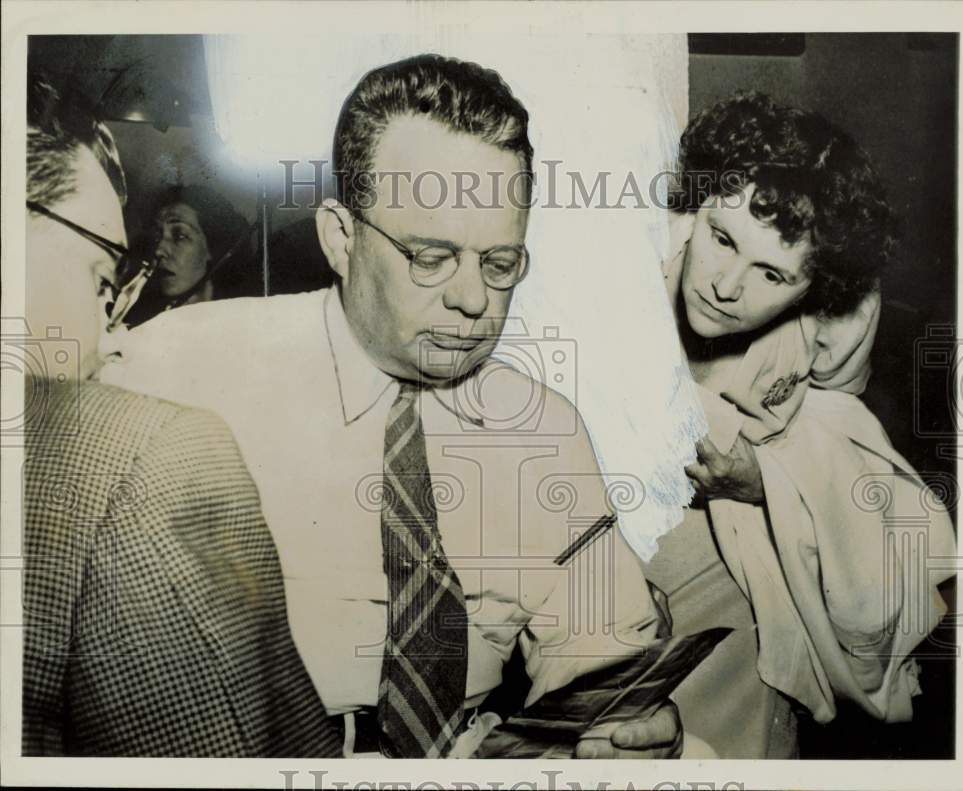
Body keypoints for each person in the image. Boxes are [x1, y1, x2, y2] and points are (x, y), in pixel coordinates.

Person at [102, 54, 683, 759]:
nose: (473, 300)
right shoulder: (177, 372)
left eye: (499, 264)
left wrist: (624, 729)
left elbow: (603, 651)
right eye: (431, 257)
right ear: (340, 237)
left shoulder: (541, 427)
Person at [21, 76, 340, 756]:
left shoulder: (250, 354)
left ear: (217, 252)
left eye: (181, 232)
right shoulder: (146, 438)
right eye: (102, 278)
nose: (108, 339)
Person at [645, 92, 956, 757]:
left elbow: (842, 426)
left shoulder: (839, 318)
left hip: (757, 555)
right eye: (722, 238)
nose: (726, 286)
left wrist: (770, 479)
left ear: (816, 287)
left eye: (771, 272)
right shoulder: (634, 271)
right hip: (636, 537)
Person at [121, 184, 252, 327]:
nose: (159, 251)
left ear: (212, 248)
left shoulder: (238, 321)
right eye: (157, 236)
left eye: (180, 236)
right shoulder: (137, 320)